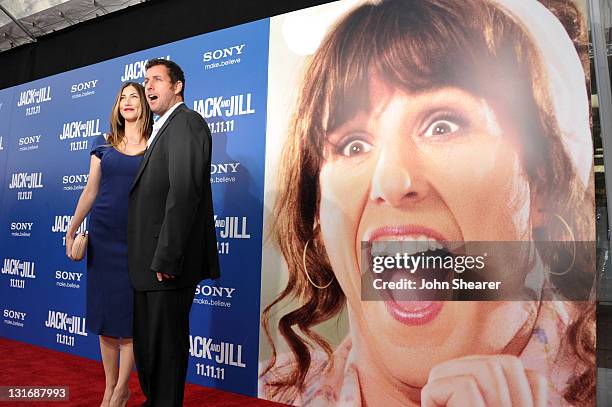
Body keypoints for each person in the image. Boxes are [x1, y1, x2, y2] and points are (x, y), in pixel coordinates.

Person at [260, 0, 595, 406]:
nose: (391, 181)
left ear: (541, 181)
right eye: (354, 144)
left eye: (442, 125)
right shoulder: (267, 393)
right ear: (317, 218)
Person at [128, 58, 220, 406]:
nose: (148, 87)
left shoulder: (187, 123)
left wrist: (168, 254)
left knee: (165, 349)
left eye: (157, 80)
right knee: (150, 348)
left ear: (177, 86)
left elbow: (184, 192)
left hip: (165, 263)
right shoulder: (162, 129)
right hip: (148, 265)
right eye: (146, 80)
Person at [66, 82, 152, 407]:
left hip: (137, 240)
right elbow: (91, 190)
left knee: (129, 321)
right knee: (105, 321)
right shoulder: (102, 143)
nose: (127, 102)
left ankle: (121, 391)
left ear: (144, 105)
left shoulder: (154, 145)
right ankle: (109, 388)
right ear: (117, 107)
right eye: (122, 98)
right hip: (102, 236)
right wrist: (72, 228)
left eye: (134, 97)